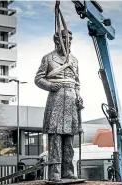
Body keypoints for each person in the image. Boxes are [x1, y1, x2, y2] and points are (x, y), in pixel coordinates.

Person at [34, 30, 84, 182]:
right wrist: (50, 86)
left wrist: (79, 97)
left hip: (71, 101)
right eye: (65, 40)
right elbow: (38, 79)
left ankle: (68, 170)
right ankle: (55, 172)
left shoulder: (74, 60)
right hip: (56, 99)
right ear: (57, 41)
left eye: (70, 41)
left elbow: (77, 82)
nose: (68, 43)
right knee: (55, 137)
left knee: (69, 139)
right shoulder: (48, 58)